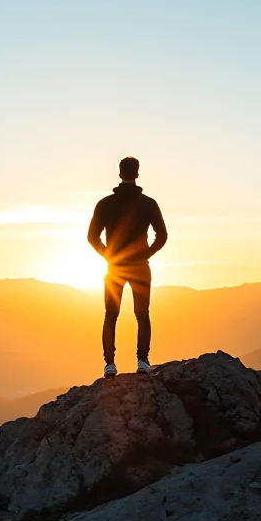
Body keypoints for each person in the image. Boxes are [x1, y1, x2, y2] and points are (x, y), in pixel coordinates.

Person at [87, 156, 168, 376]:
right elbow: (162, 236)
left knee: (111, 314)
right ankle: (143, 361)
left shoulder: (105, 204)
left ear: (120, 174)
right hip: (140, 266)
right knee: (142, 313)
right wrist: (145, 254)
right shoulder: (149, 204)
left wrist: (108, 255)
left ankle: (109, 365)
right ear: (137, 174)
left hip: (115, 266)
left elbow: (92, 236)